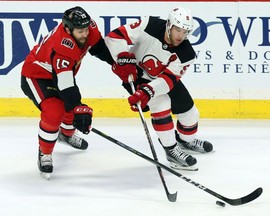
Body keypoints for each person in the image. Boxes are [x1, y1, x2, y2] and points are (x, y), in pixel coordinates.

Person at [105, 6, 213, 170]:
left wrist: (148, 91)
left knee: (191, 114)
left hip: (161, 81)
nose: (181, 36)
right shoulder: (150, 25)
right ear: (169, 25)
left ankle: (185, 141)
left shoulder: (187, 53)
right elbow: (115, 36)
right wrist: (122, 57)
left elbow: (168, 79)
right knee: (161, 104)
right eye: (178, 30)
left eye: (185, 32)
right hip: (136, 76)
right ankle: (171, 150)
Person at [21, 6, 113, 178]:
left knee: (71, 108)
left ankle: (66, 134)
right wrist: (77, 105)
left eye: (86, 29)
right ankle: (45, 152)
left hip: (59, 74)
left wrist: (119, 64)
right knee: (56, 110)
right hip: (36, 75)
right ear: (67, 29)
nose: (85, 34)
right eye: (80, 31)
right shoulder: (61, 45)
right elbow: (65, 84)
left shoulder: (88, 28)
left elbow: (99, 48)